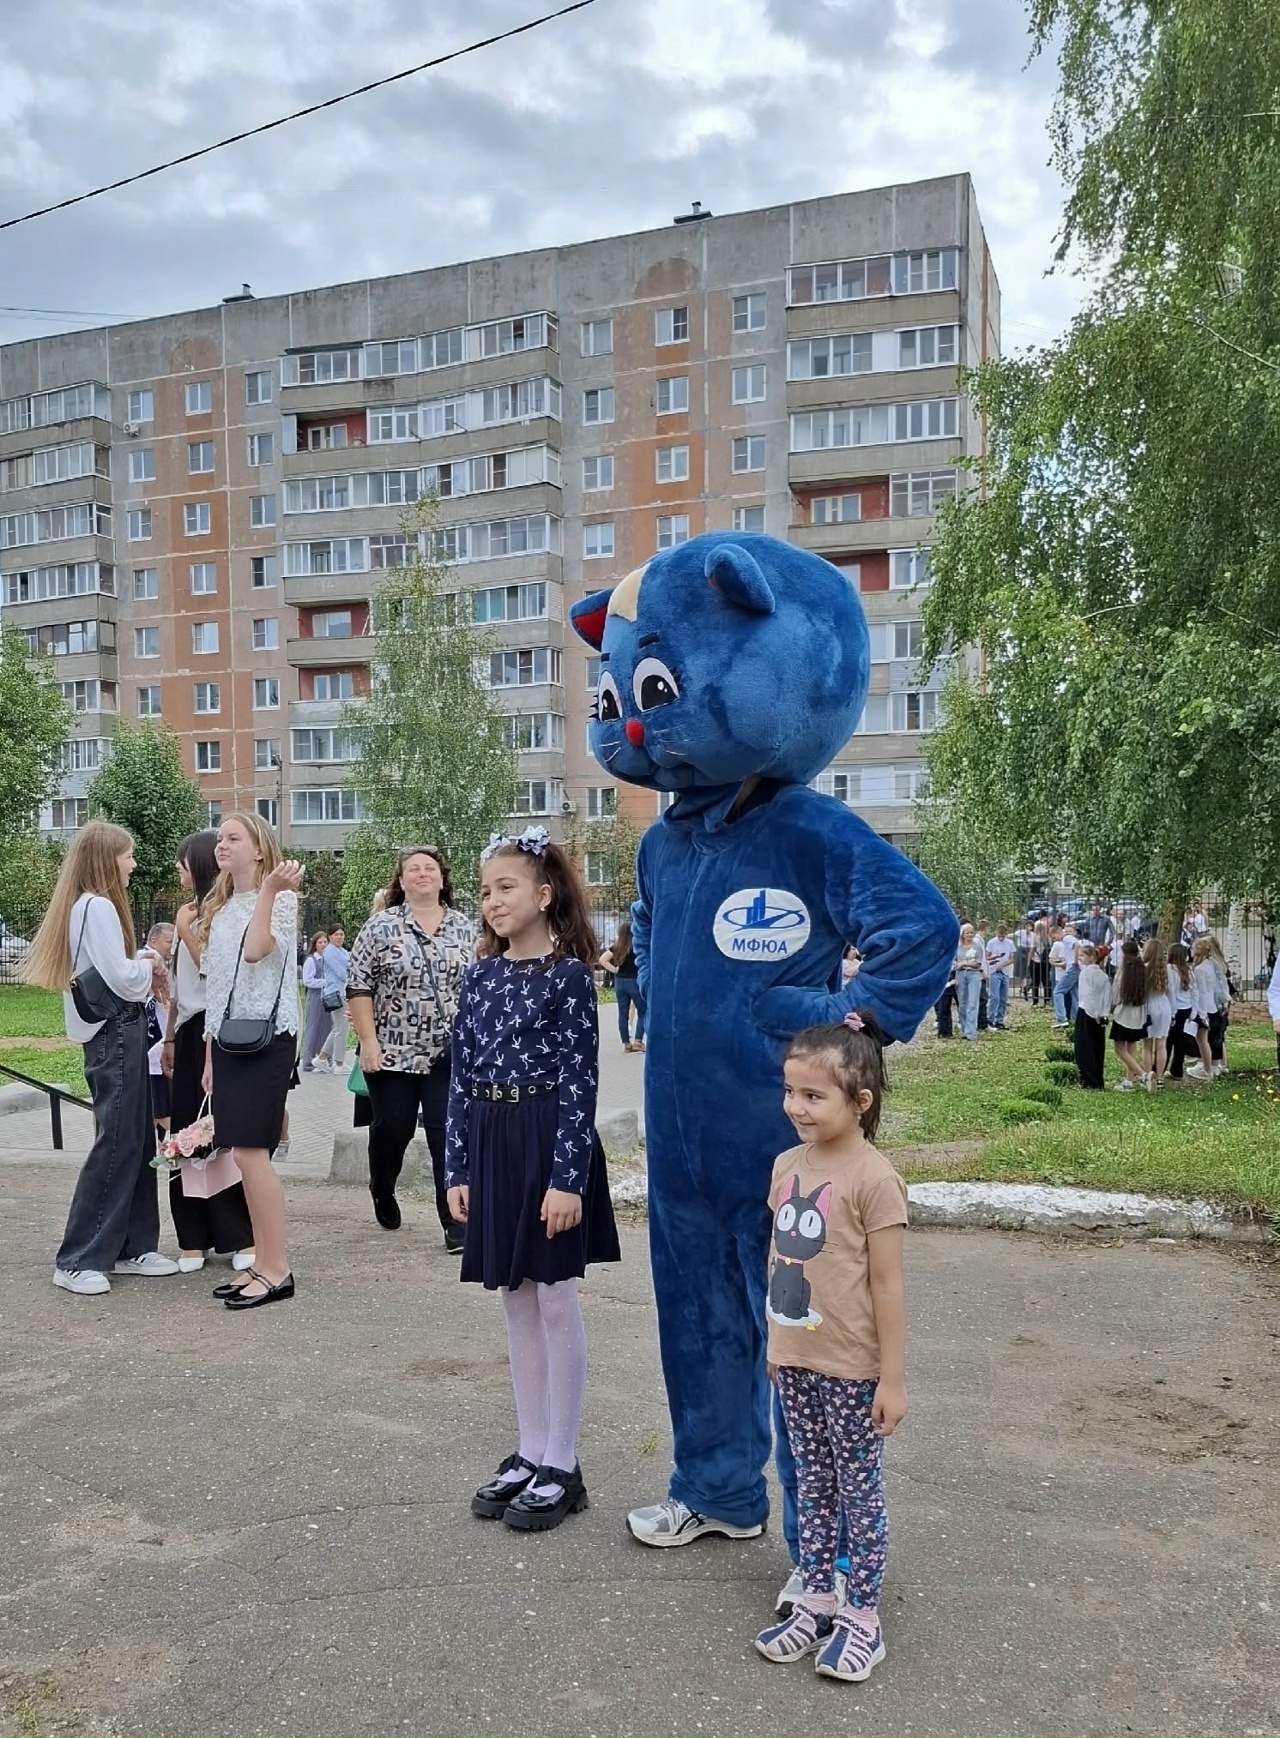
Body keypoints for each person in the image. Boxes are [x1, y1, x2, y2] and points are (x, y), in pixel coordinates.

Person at [445, 828, 620, 1532]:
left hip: (548, 1143)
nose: (491, 901)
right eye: (484, 890)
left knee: (553, 1298)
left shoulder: (568, 977)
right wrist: (457, 1165)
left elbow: (582, 1080)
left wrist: (568, 1179)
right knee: (515, 1299)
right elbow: (460, 1075)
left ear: (544, 895)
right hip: (492, 1142)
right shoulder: (479, 977)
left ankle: (562, 1462)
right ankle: (530, 1449)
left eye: (506, 887)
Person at [753, 1012, 905, 1683]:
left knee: (858, 1493)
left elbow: (887, 1284)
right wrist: (776, 1343)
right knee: (810, 1483)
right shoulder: (786, 1166)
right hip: (797, 1360)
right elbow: (779, 1259)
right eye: (790, 1092)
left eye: (813, 1096)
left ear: (859, 1101)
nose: (796, 1107)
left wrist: (892, 1379)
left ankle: (862, 1618)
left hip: (852, 1369)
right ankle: (815, 1602)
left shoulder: (875, 1179)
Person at [21, 821, 178, 1295]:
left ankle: (131, 1246)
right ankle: (79, 1258)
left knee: (136, 1138)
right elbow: (124, 980)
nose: (133, 864)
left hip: (116, 1031)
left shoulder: (87, 906)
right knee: (118, 1140)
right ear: (109, 860)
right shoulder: (98, 906)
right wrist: (150, 963)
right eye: (128, 855)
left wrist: (142, 966)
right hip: (115, 1031)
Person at [199, 812, 304, 1310]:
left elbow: (257, 951)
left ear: (259, 848)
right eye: (219, 838)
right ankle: (262, 1262)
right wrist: (209, 1054)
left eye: (233, 837)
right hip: (229, 1042)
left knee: (251, 1153)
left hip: (267, 1039)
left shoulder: (280, 899)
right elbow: (216, 987)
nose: (222, 844)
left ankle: (276, 1268)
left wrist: (267, 893)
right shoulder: (220, 907)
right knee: (242, 1154)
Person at [346, 847, 475, 1243]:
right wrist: (368, 1041)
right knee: (394, 1129)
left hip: (447, 1053)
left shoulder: (465, 927)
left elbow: (480, 987)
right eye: (413, 869)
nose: (422, 874)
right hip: (392, 1051)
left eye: (430, 868)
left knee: (447, 1134)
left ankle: (455, 1223)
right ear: (401, 882)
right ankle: (382, 1186)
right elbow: (358, 985)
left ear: (442, 878)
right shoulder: (380, 926)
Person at [163, 830, 255, 1273]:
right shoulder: (187, 913)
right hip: (187, 1030)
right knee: (185, 1134)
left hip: (216, 1030)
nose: (178, 869)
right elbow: (177, 988)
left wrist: (185, 931)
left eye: (183, 861)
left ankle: (238, 1235)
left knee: (222, 1132)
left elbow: (213, 973)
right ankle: (191, 1239)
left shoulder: (220, 914)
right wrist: (168, 1038)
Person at [143, 922, 175, 1142]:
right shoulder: (149, 961)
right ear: (154, 941)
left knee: (158, 1109)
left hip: (160, 1044)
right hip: (154, 1045)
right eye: (169, 942)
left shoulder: (163, 964)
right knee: (160, 1110)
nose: (172, 947)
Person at [599, 919, 646, 1052]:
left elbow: (602, 960)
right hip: (634, 981)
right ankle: (638, 1041)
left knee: (622, 1013)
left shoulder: (617, 947)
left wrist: (615, 970)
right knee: (643, 1011)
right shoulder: (637, 946)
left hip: (620, 982)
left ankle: (626, 1043)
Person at [1109, 940, 1148, 1090]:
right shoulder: (1143, 969)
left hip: (1123, 1014)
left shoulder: (1123, 971)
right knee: (1131, 1047)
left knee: (1119, 1049)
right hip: (1138, 1015)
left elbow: (1116, 995)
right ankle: (1129, 1081)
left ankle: (1143, 1076)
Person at [1073, 944, 1111, 1089]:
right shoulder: (1103, 975)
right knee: (1097, 1047)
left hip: (1087, 1012)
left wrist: (1094, 1013)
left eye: (1082, 955)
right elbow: (1107, 996)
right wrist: (1104, 1013)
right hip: (1100, 1015)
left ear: (1091, 957)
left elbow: (1087, 995)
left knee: (1084, 1048)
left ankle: (1088, 1079)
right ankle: (1097, 1079)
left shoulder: (1085, 974)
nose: (1079, 958)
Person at [1141, 937, 1173, 1092]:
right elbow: (1170, 992)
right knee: (1161, 1044)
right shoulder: (1166, 969)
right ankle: (1160, 1077)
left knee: (1146, 1045)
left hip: (1149, 1006)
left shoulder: (1143, 968)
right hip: (1164, 1005)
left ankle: (1148, 1076)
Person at [1186, 939, 1221, 1083]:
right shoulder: (1210, 965)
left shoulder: (1199, 969)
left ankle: (1206, 1070)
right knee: (1206, 1040)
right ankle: (1210, 1066)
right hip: (1212, 1006)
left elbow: (1201, 992)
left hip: (1204, 1008)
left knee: (1202, 1040)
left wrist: (1201, 1014)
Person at [1197, 935, 1231, 1077]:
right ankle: (1219, 1064)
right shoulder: (1218, 963)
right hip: (1220, 1001)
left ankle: (1213, 1064)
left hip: (1215, 1003)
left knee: (1213, 1036)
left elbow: (1217, 988)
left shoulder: (1211, 965)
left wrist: (1222, 1003)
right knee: (1218, 1036)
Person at [317, 924, 350, 1072]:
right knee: (341, 1028)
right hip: (336, 993)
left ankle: (322, 1058)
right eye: (336, 934)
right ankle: (339, 1063)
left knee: (338, 1027)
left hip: (343, 992)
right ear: (330, 936)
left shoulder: (343, 951)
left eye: (341, 934)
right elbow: (341, 973)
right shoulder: (329, 951)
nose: (339, 937)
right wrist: (351, 976)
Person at [299, 931, 331, 1072]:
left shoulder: (328, 959)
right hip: (315, 996)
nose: (323, 945)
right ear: (315, 944)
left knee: (326, 1028)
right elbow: (307, 981)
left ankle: (324, 1058)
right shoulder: (311, 960)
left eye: (325, 942)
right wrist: (326, 982)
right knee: (313, 1028)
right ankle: (308, 1061)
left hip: (328, 997)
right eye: (320, 942)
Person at [952, 923, 985, 1040]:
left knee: (972, 1003)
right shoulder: (957, 947)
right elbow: (953, 961)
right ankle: (964, 1029)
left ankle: (970, 1032)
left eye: (971, 932)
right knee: (962, 1004)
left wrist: (965, 963)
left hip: (973, 974)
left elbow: (978, 963)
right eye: (967, 933)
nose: (970, 935)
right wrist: (958, 965)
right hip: (960, 975)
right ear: (963, 934)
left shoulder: (977, 946)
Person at [984, 922, 1014, 1030]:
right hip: (994, 971)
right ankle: (990, 1018)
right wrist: (994, 958)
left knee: (1003, 998)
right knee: (994, 997)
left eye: (1003, 936)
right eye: (999, 935)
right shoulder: (991, 942)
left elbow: (1012, 958)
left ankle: (999, 1020)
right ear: (996, 933)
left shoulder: (1010, 943)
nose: (1001, 938)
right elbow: (986, 957)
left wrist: (1003, 964)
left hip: (1004, 972)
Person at [1052, 922, 1081, 1028]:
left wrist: (1076, 961)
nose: (1054, 940)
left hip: (1072, 969)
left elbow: (1077, 945)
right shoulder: (1066, 940)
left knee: (1057, 992)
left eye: (1054, 937)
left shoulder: (1066, 938)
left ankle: (1061, 1018)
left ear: (1058, 932)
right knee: (1074, 993)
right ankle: (1077, 1018)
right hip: (1073, 967)